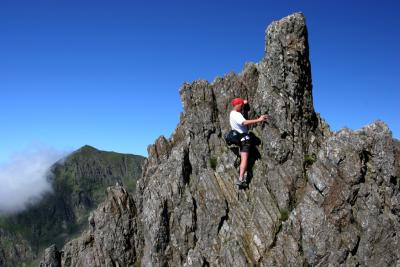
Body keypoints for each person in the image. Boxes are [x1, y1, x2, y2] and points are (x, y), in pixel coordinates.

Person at [229, 98, 266, 187]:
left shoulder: (232, 113)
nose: (242, 107)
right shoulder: (236, 114)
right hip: (244, 138)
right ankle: (241, 179)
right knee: (244, 158)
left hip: (241, 139)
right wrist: (259, 120)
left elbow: (241, 114)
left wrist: (244, 103)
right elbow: (244, 122)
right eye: (241, 105)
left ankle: (241, 178)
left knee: (243, 158)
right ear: (237, 105)